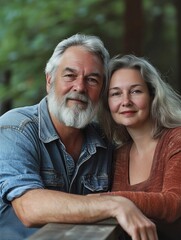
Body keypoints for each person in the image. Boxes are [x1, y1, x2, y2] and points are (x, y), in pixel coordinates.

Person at [0, 34, 158, 240]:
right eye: (69, 76)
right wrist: (115, 204)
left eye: (92, 79)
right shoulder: (15, 128)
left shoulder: (106, 142)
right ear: (49, 80)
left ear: (101, 91)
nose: (80, 87)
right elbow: (29, 208)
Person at [99, 54, 181, 240]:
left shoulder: (176, 139)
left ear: (153, 95)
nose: (125, 101)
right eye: (116, 93)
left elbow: (173, 204)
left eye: (135, 91)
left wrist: (100, 201)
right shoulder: (120, 154)